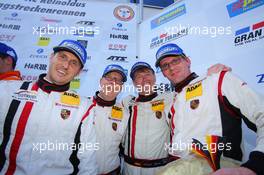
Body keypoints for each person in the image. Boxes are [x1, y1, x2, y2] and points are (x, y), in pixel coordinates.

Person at [155, 43, 264, 175]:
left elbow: (261, 114)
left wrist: (256, 165)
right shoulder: (171, 100)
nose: (171, 67)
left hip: (218, 167)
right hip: (177, 167)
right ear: (163, 73)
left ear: (188, 61)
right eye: (165, 66)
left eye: (175, 60)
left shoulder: (217, 80)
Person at [0, 39, 97, 174]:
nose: (65, 65)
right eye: (62, 57)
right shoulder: (8, 90)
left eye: (73, 63)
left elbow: (88, 159)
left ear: (79, 72)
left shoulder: (84, 107)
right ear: (51, 57)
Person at [122, 62, 174, 175]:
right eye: (139, 76)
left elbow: (190, 89)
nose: (144, 78)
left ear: (155, 77)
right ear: (134, 83)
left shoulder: (169, 98)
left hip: (159, 169)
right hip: (129, 168)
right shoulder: (127, 102)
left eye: (147, 74)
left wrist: (211, 75)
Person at [92, 64, 129, 174]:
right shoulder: (84, 107)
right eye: (109, 78)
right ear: (101, 81)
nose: (113, 82)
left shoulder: (125, 112)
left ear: (121, 87)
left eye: (118, 80)